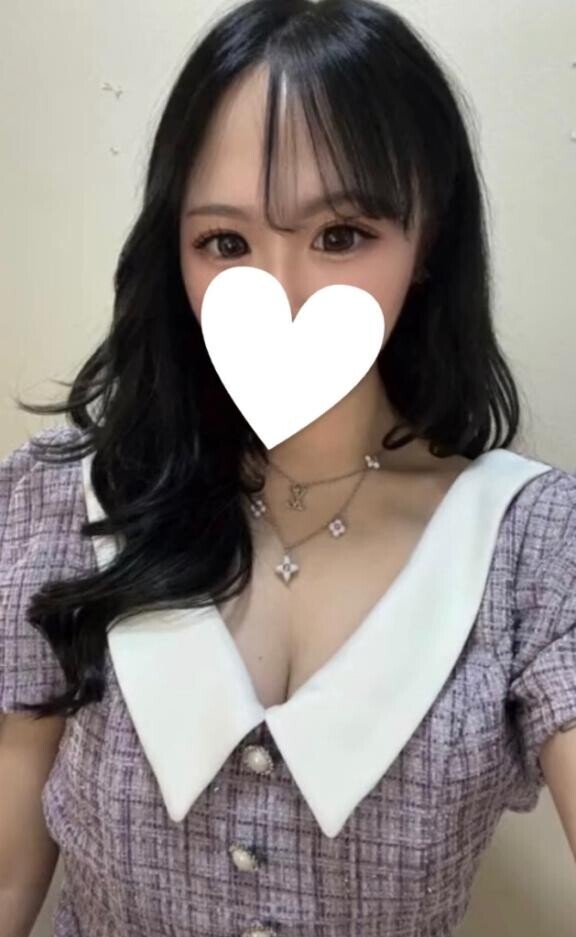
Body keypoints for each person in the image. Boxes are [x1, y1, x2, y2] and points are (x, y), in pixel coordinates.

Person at [1, 1, 575, 935]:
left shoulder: (532, 546)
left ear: (428, 236)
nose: (283, 293)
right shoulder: (67, 500)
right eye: (225, 243)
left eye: (340, 234)